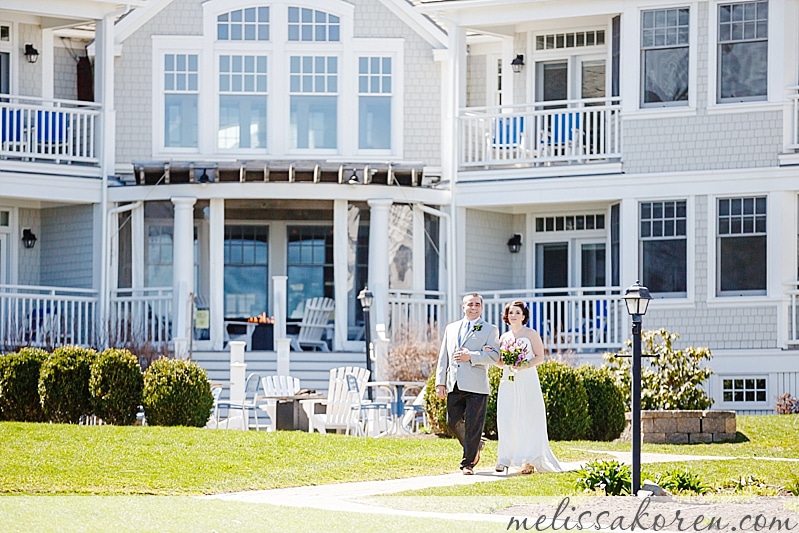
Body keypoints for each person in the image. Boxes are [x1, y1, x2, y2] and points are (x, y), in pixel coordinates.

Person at [495, 300, 564, 474]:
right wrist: (496, 359)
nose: (514, 315)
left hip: (527, 379)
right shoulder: (504, 337)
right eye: (511, 312)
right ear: (507, 316)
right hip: (509, 380)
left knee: (528, 417)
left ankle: (529, 460)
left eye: (518, 312)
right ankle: (505, 458)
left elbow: (540, 357)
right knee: (507, 416)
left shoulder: (531, 334)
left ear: (524, 315)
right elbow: (501, 362)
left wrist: (524, 365)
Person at [435, 293, 500, 475]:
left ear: (482, 307)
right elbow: (443, 357)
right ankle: (475, 445)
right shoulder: (451, 328)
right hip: (454, 383)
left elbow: (494, 356)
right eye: (470, 304)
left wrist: (472, 355)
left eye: (477, 304)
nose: (474, 307)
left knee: (473, 425)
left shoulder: (490, 329)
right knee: (452, 421)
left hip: (477, 385)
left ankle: (467, 464)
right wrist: (440, 382)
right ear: (463, 307)